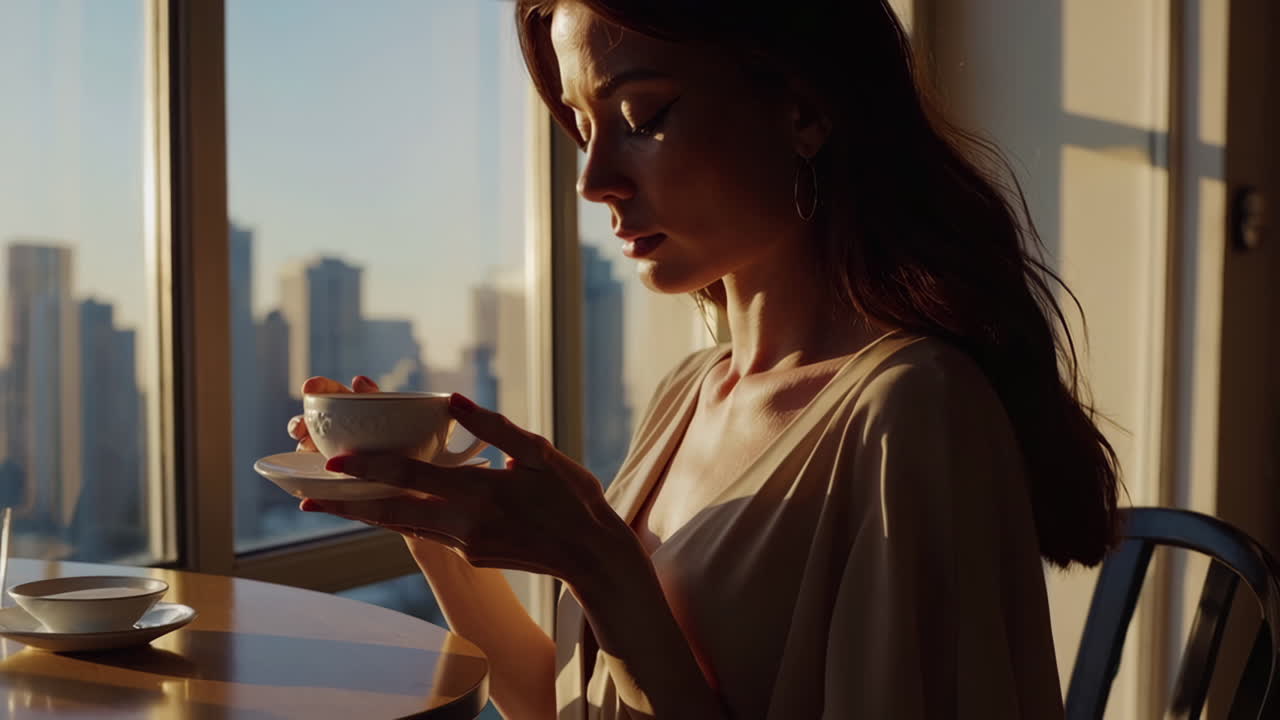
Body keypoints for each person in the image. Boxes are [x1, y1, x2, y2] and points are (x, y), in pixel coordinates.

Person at [287, 1, 1121, 717]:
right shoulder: (692, 391)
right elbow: (564, 702)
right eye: (582, 129)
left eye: (643, 116)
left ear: (802, 109)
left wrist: (599, 564)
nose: (592, 179)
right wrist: (427, 519)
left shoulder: (913, 413)